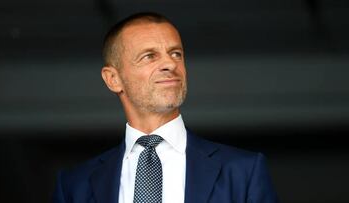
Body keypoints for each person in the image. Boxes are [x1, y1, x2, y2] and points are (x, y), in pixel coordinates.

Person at [53, 12, 278, 203]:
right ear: (113, 79)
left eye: (176, 54)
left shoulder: (243, 171)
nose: (170, 64)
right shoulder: (75, 185)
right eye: (149, 56)